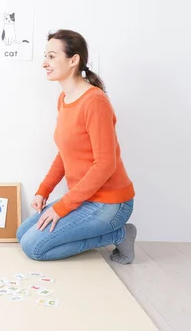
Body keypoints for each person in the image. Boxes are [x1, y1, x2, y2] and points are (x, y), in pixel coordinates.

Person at [16, 29, 137, 264]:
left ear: (73, 60)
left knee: (34, 247)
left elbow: (105, 165)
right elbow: (66, 152)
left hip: (110, 202)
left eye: (51, 56)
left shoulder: (95, 102)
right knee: (22, 235)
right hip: (86, 198)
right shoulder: (64, 99)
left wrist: (62, 207)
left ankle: (120, 233)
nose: (44, 63)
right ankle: (107, 232)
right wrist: (44, 190)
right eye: (45, 56)